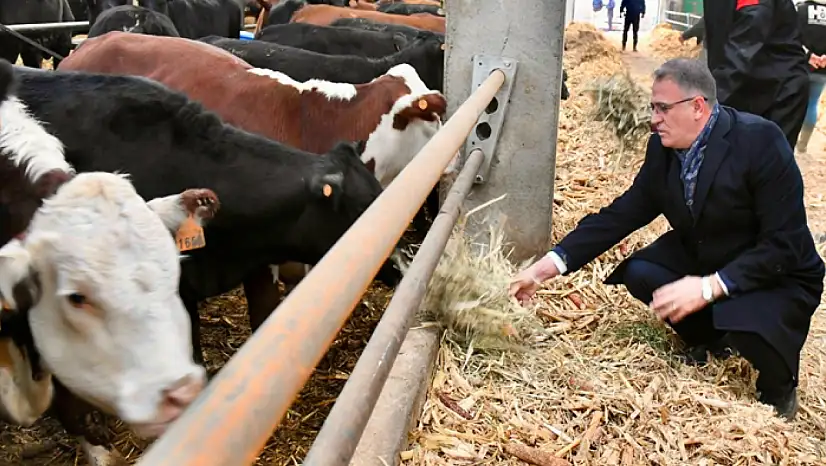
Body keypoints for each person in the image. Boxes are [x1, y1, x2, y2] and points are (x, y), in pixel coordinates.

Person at [509, 58, 824, 421]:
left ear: (697, 107)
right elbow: (624, 212)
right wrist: (546, 268)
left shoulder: (759, 141)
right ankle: (710, 339)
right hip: (710, 252)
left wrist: (709, 287)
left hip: (773, 270)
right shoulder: (662, 148)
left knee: (750, 328)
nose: (653, 118)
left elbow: (782, 245)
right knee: (641, 271)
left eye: (662, 108)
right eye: (652, 107)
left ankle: (779, 386)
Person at [703, 0, 811, 148]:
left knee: (766, 164)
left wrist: (707, 100)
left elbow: (748, 36)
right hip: (743, 87)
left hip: (778, 91)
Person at [795, 0, 826, 154]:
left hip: (801, 65)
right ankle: (803, 145)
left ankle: (790, 139)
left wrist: (809, 55)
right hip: (823, 68)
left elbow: (792, 36)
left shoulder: (801, 9)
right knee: (812, 103)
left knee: (794, 103)